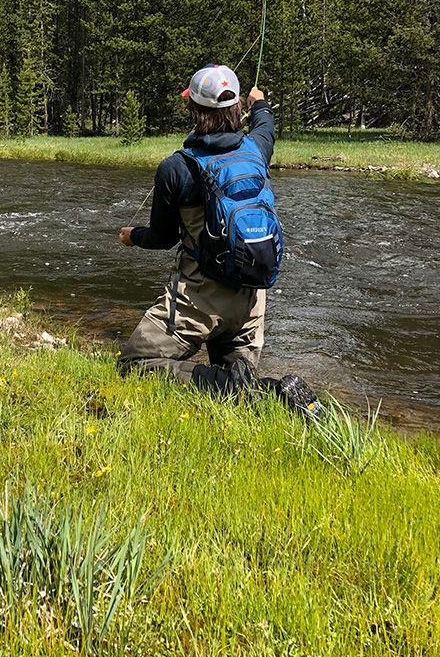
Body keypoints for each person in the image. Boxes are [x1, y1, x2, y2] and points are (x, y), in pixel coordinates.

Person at [117, 64, 321, 415]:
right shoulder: (256, 150)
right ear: (237, 108)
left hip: (200, 297)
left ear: (193, 110)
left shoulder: (176, 168)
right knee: (243, 384)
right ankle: (275, 392)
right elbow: (265, 127)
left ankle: (225, 383)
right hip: (251, 298)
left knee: (134, 363)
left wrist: (132, 237)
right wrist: (260, 104)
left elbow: (163, 238)